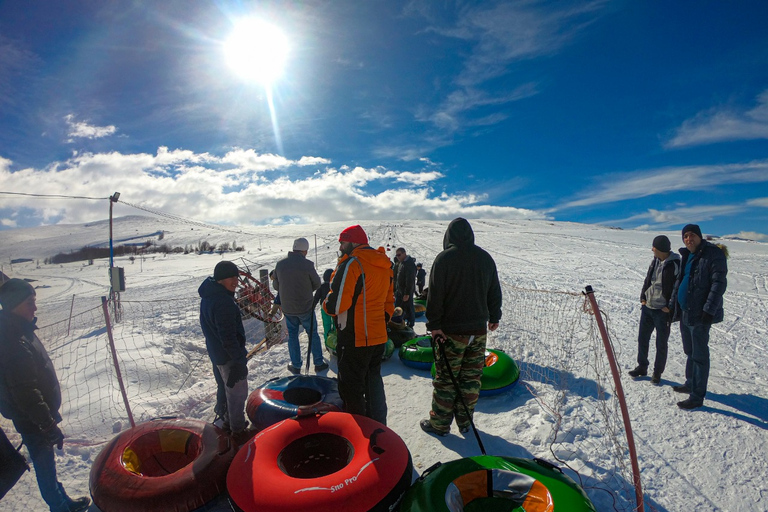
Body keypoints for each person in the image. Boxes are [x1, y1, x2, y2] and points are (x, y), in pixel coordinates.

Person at [0, 279, 90, 512]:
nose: (35, 308)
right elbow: (26, 392)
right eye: (30, 302)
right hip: (34, 421)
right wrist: (47, 424)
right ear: (14, 304)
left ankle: (63, 502)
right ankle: (59, 507)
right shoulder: (14, 340)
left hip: (36, 418)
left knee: (47, 465)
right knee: (45, 469)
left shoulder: (19, 328)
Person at [421, 218, 502, 436]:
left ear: (449, 236)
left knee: (447, 379)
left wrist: (434, 325)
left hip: (451, 332)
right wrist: (495, 316)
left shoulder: (445, 258)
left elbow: (435, 295)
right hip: (478, 330)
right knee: (471, 378)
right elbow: (494, 290)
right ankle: (465, 422)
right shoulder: (485, 258)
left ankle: (439, 424)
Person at [323, 225, 394, 425]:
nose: (341, 246)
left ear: (353, 242)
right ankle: (379, 427)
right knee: (373, 383)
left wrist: (325, 300)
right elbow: (389, 302)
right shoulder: (384, 265)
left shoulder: (353, 264)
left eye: (343, 242)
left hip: (354, 337)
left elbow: (337, 304)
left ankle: (359, 432)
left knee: (351, 388)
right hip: (378, 336)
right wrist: (381, 322)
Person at [670, 224, 727, 409]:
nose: (688, 239)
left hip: (701, 314)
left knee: (700, 356)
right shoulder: (687, 255)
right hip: (686, 312)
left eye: (692, 235)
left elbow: (718, 284)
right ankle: (690, 383)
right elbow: (681, 282)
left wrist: (708, 310)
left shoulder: (713, 254)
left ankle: (697, 396)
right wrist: (673, 306)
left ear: (700, 237)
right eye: (685, 236)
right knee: (689, 351)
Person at [199, 261, 249, 438]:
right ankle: (238, 431)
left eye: (236, 277)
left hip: (217, 354)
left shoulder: (210, 295)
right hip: (228, 357)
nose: (235, 281)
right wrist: (238, 361)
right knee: (237, 395)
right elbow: (227, 336)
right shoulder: (223, 302)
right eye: (231, 277)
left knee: (228, 390)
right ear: (220, 279)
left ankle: (228, 422)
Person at [628, 235, 680, 384]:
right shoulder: (655, 261)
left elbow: (677, 287)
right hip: (648, 307)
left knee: (661, 343)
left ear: (660, 249)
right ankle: (642, 367)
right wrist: (643, 297)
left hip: (662, 311)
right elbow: (648, 279)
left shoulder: (675, 264)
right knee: (642, 339)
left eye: (654, 247)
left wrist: (669, 307)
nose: (652, 250)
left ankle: (657, 373)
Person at [274, 238, 327, 373]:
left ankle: (296, 365)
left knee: (292, 335)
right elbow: (317, 284)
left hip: (288, 308)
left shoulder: (280, 265)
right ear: (305, 250)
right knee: (312, 334)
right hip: (305, 307)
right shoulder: (308, 264)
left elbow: (276, 286)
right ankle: (318, 363)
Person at [394, 247, 417, 328]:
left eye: (399, 255)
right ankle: (399, 323)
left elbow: (410, 280)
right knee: (399, 308)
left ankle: (411, 324)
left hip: (406, 291)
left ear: (404, 253)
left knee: (409, 307)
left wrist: (407, 293)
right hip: (400, 291)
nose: (398, 257)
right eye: (396, 255)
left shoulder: (409, 264)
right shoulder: (401, 263)